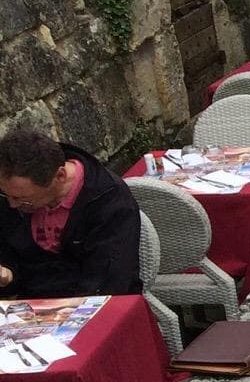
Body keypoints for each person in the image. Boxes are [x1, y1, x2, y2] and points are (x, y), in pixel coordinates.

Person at [0, 126, 143, 298]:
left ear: (60, 176)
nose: (12, 204)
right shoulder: (12, 195)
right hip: (30, 308)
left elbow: (109, 281)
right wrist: (8, 276)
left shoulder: (110, 202)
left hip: (97, 302)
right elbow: (15, 261)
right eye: (6, 195)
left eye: (23, 198)